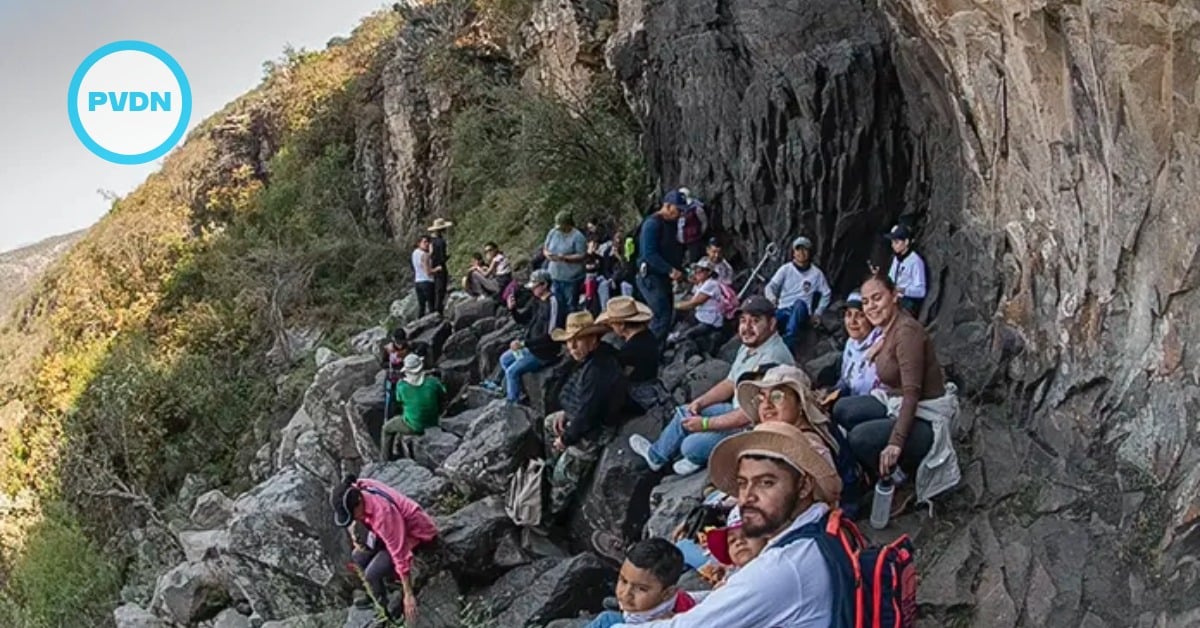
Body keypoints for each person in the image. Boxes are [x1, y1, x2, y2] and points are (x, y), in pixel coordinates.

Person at [616, 422, 842, 627]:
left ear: (803, 486)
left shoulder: (782, 567)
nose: (748, 497)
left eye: (766, 483)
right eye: (743, 483)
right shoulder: (822, 530)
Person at [831, 274, 959, 513]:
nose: (870, 307)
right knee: (841, 409)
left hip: (926, 418)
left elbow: (912, 393)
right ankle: (872, 471)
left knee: (859, 437)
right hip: (897, 403)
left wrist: (895, 443)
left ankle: (902, 480)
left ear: (894, 296)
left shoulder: (906, 332)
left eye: (877, 298)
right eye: (866, 301)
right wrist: (878, 348)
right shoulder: (889, 328)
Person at [628, 296, 794, 476]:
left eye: (755, 321)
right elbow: (730, 382)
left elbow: (750, 414)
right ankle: (656, 456)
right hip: (735, 408)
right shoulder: (750, 345)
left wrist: (706, 424)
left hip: (752, 428)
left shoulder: (773, 358)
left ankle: (697, 457)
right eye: (743, 321)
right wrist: (700, 402)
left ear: (772, 324)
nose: (746, 328)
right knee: (686, 412)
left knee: (689, 445)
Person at [543, 312, 629, 518]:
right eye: (569, 342)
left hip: (597, 429)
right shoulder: (593, 357)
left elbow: (588, 414)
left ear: (592, 340)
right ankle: (552, 468)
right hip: (584, 418)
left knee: (563, 476)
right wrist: (566, 413)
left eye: (577, 341)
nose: (572, 348)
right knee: (549, 424)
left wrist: (566, 438)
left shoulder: (599, 368)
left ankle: (553, 516)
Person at [331, 474, 439, 625]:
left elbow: (400, 553)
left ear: (359, 503)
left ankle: (387, 608)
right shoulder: (360, 487)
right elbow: (357, 521)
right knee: (357, 557)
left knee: (372, 573)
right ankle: (378, 593)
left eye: (352, 515)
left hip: (414, 534)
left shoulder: (383, 515)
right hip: (391, 531)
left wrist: (409, 595)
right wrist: (355, 534)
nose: (353, 519)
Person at [486, 270, 561, 404]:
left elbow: (551, 335)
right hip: (531, 346)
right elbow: (522, 319)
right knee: (504, 359)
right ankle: (513, 390)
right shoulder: (536, 300)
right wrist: (513, 309)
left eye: (535, 286)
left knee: (511, 372)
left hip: (544, 352)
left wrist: (524, 344)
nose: (532, 289)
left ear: (544, 285)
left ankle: (512, 403)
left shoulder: (553, 303)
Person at [588, 539, 697, 628]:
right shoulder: (681, 600)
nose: (626, 593)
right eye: (623, 581)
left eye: (641, 589)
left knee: (607, 619)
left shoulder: (679, 618)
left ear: (667, 593)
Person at [596, 297, 663, 413]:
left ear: (621, 325)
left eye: (612, 324)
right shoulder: (648, 336)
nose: (611, 327)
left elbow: (622, 378)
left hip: (640, 396)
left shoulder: (632, 349)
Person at [764, 236, 831, 350]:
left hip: (802, 312)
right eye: (798, 249)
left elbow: (826, 293)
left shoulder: (816, 273)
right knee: (767, 320)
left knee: (799, 304)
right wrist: (772, 298)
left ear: (810, 252)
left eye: (805, 249)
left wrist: (818, 313)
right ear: (793, 252)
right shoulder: (786, 269)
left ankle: (787, 346)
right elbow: (770, 287)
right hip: (783, 309)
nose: (801, 252)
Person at [637, 192, 687, 343]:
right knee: (661, 315)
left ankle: (658, 349)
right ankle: (650, 353)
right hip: (651, 276)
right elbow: (649, 254)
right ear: (668, 206)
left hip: (664, 277)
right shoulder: (652, 224)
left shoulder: (671, 225)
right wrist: (670, 270)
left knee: (667, 313)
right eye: (678, 210)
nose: (680, 214)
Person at [379, 354, 447, 461]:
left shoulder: (402, 386)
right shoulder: (433, 382)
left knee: (386, 429)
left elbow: (399, 400)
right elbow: (442, 395)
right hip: (433, 421)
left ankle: (385, 460)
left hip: (414, 426)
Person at [820, 291, 882, 407]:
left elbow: (869, 393)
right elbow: (845, 381)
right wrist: (831, 392)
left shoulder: (879, 346)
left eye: (860, 315)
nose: (852, 321)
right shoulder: (851, 342)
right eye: (848, 314)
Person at [696, 506, 768, 587]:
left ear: (766, 536)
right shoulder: (729, 581)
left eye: (747, 535)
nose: (738, 542)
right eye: (732, 540)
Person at [669, 259, 726, 353]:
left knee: (688, 335)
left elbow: (694, 303)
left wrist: (675, 305)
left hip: (710, 321)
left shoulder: (711, 284)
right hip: (700, 316)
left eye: (701, 270)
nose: (697, 272)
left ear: (709, 272)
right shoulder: (701, 284)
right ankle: (672, 332)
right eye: (697, 270)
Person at [543, 211, 589, 315]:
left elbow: (582, 255)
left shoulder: (577, 236)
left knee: (570, 304)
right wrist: (548, 255)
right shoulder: (553, 232)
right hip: (554, 275)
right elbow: (545, 248)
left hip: (571, 277)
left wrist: (565, 258)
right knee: (557, 303)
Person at [883, 224, 926, 316]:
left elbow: (921, 291)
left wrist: (903, 290)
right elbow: (890, 278)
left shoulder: (915, 261)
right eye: (892, 242)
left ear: (906, 242)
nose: (893, 245)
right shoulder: (896, 258)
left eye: (896, 242)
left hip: (906, 303)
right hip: (893, 298)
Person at [427, 218, 453, 315]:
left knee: (435, 290)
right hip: (440, 268)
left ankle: (433, 311)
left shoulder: (430, 241)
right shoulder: (440, 242)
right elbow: (442, 257)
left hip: (431, 268)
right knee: (440, 290)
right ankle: (439, 311)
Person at [676, 187, 709, 263]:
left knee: (694, 260)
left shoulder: (697, 209)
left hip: (694, 239)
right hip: (683, 239)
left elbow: (704, 222)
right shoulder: (680, 210)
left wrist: (699, 233)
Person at [412, 236, 435, 318]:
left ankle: (419, 323)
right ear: (419, 243)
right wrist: (437, 269)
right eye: (424, 242)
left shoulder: (415, 253)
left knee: (422, 306)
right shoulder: (424, 255)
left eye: (427, 242)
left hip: (417, 281)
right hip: (427, 281)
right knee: (431, 304)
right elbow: (428, 271)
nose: (427, 244)